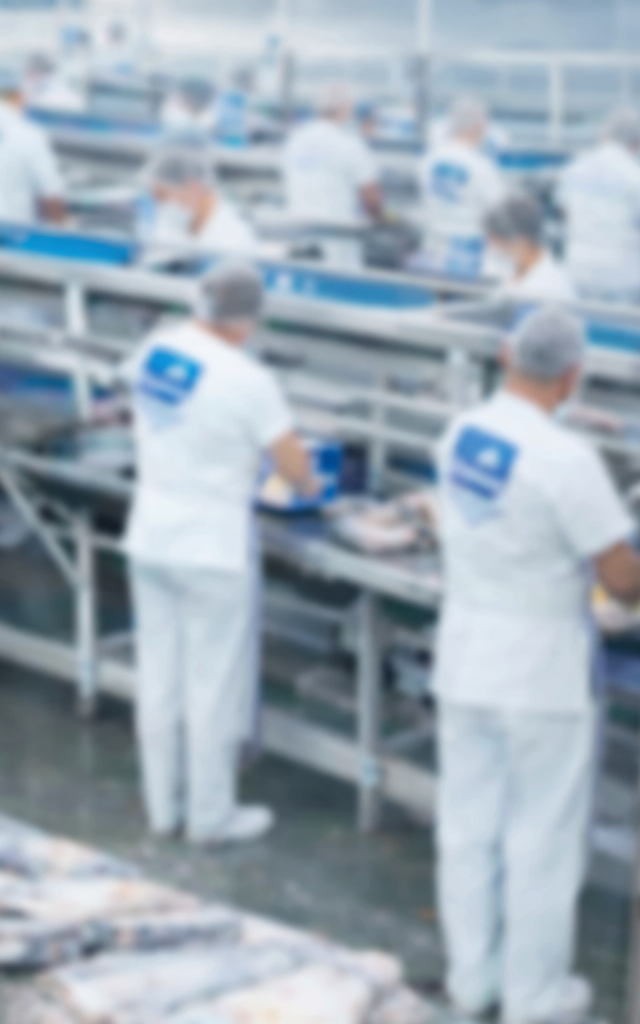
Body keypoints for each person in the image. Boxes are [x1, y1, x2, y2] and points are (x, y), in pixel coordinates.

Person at [432, 305, 640, 1024]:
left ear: (504, 355)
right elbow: (621, 579)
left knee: (467, 827)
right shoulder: (566, 460)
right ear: (573, 376)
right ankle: (534, 999)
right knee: (542, 838)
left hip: (466, 653)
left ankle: (471, 982)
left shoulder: (461, 432)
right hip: (540, 668)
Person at [125, 261, 316, 845]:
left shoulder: (157, 351)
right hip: (211, 545)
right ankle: (209, 817)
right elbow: (296, 468)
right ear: (247, 318)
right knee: (211, 686)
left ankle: (163, 810)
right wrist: (309, 483)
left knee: (159, 679)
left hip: (151, 532)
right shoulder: (247, 379)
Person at [281, 84, 382, 268]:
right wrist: (379, 220)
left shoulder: (295, 140)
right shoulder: (349, 144)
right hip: (338, 243)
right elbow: (371, 199)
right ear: (346, 109)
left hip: (298, 238)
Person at [0, 66, 68, 225]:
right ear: (20, 96)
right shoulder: (29, 134)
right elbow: (52, 195)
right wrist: (62, 229)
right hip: (10, 231)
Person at [556, 108, 640, 307]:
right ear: (636, 142)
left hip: (577, 268)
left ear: (605, 135)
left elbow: (565, 213)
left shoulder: (575, 168)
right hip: (621, 276)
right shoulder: (633, 175)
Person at [418, 97, 505, 278]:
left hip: (432, 250)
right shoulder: (481, 166)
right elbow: (500, 211)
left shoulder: (428, 159)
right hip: (468, 256)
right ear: (478, 126)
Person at [145, 145, 259, 254]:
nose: (159, 204)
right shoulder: (178, 219)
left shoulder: (232, 238)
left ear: (193, 187)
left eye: (163, 195)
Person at [483, 192, 577, 303]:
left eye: (496, 240)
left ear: (522, 241)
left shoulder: (548, 288)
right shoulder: (517, 266)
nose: (491, 246)